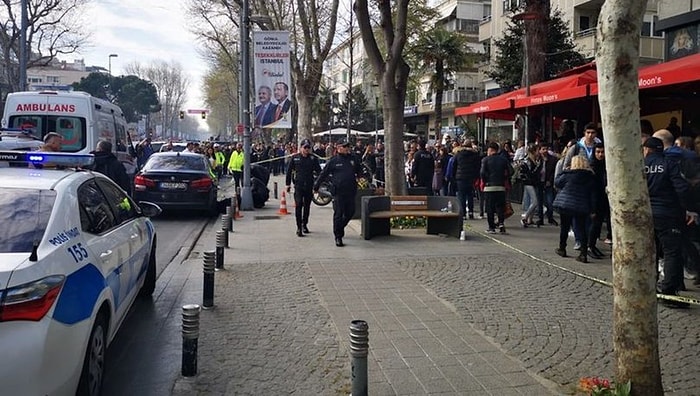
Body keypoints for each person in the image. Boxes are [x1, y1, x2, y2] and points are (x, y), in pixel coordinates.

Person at [644, 137, 693, 308]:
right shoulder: (669, 164)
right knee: (672, 252)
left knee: (650, 252)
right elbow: (682, 188)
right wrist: (687, 208)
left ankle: (648, 286)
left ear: (647, 149)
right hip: (668, 214)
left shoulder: (639, 166)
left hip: (645, 215)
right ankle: (669, 292)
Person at [313, 138, 364, 247]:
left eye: (348, 146)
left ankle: (340, 227)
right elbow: (323, 174)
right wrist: (316, 186)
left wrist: (360, 177)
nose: (347, 149)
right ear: (338, 148)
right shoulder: (334, 160)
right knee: (338, 214)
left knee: (350, 212)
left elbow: (359, 170)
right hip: (338, 191)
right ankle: (338, 236)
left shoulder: (353, 158)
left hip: (350, 190)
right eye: (344, 147)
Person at [553, 155, 597, 263]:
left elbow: (557, 182)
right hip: (581, 205)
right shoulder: (590, 177)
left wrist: (563, 171)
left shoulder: (568, 175)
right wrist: (593, 209)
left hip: (566, 204)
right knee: (581, 228)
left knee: (565, 227)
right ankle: (583, 253)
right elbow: (593, 195)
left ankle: (562, 248)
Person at [286, 139, 322, 237]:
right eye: (305, 147)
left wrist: (317, 185)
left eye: (308, 148)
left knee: (307, 206)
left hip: (309, 185)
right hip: (298, 186)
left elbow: (319, 172)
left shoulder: (313, 159)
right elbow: (289, 172)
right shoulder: (295, 158)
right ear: (301, 148)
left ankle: (304, 224)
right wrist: (287, 184)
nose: (306, 149)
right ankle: (298, 227)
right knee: (298, 205)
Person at [480, 142, 511, 234]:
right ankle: (501, 224)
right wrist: (504, 178)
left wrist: (486, 180)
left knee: (490, 208)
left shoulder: (485, 160)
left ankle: (491, 227)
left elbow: (482, 173)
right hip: (501, 187)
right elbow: (511, 171)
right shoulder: (503, 160)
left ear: (490, 150)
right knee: (500, 207)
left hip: (489, 187)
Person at [452, 139, 481, 219]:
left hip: (460, 178)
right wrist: (476, 176)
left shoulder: (459, 154)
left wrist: (454, 176)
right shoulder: (475, 155)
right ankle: (471, 212)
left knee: (461, 195)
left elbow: (454, 165)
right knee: (470, 194)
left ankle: (463, 213)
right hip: (471, 178)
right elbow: (478, 166)